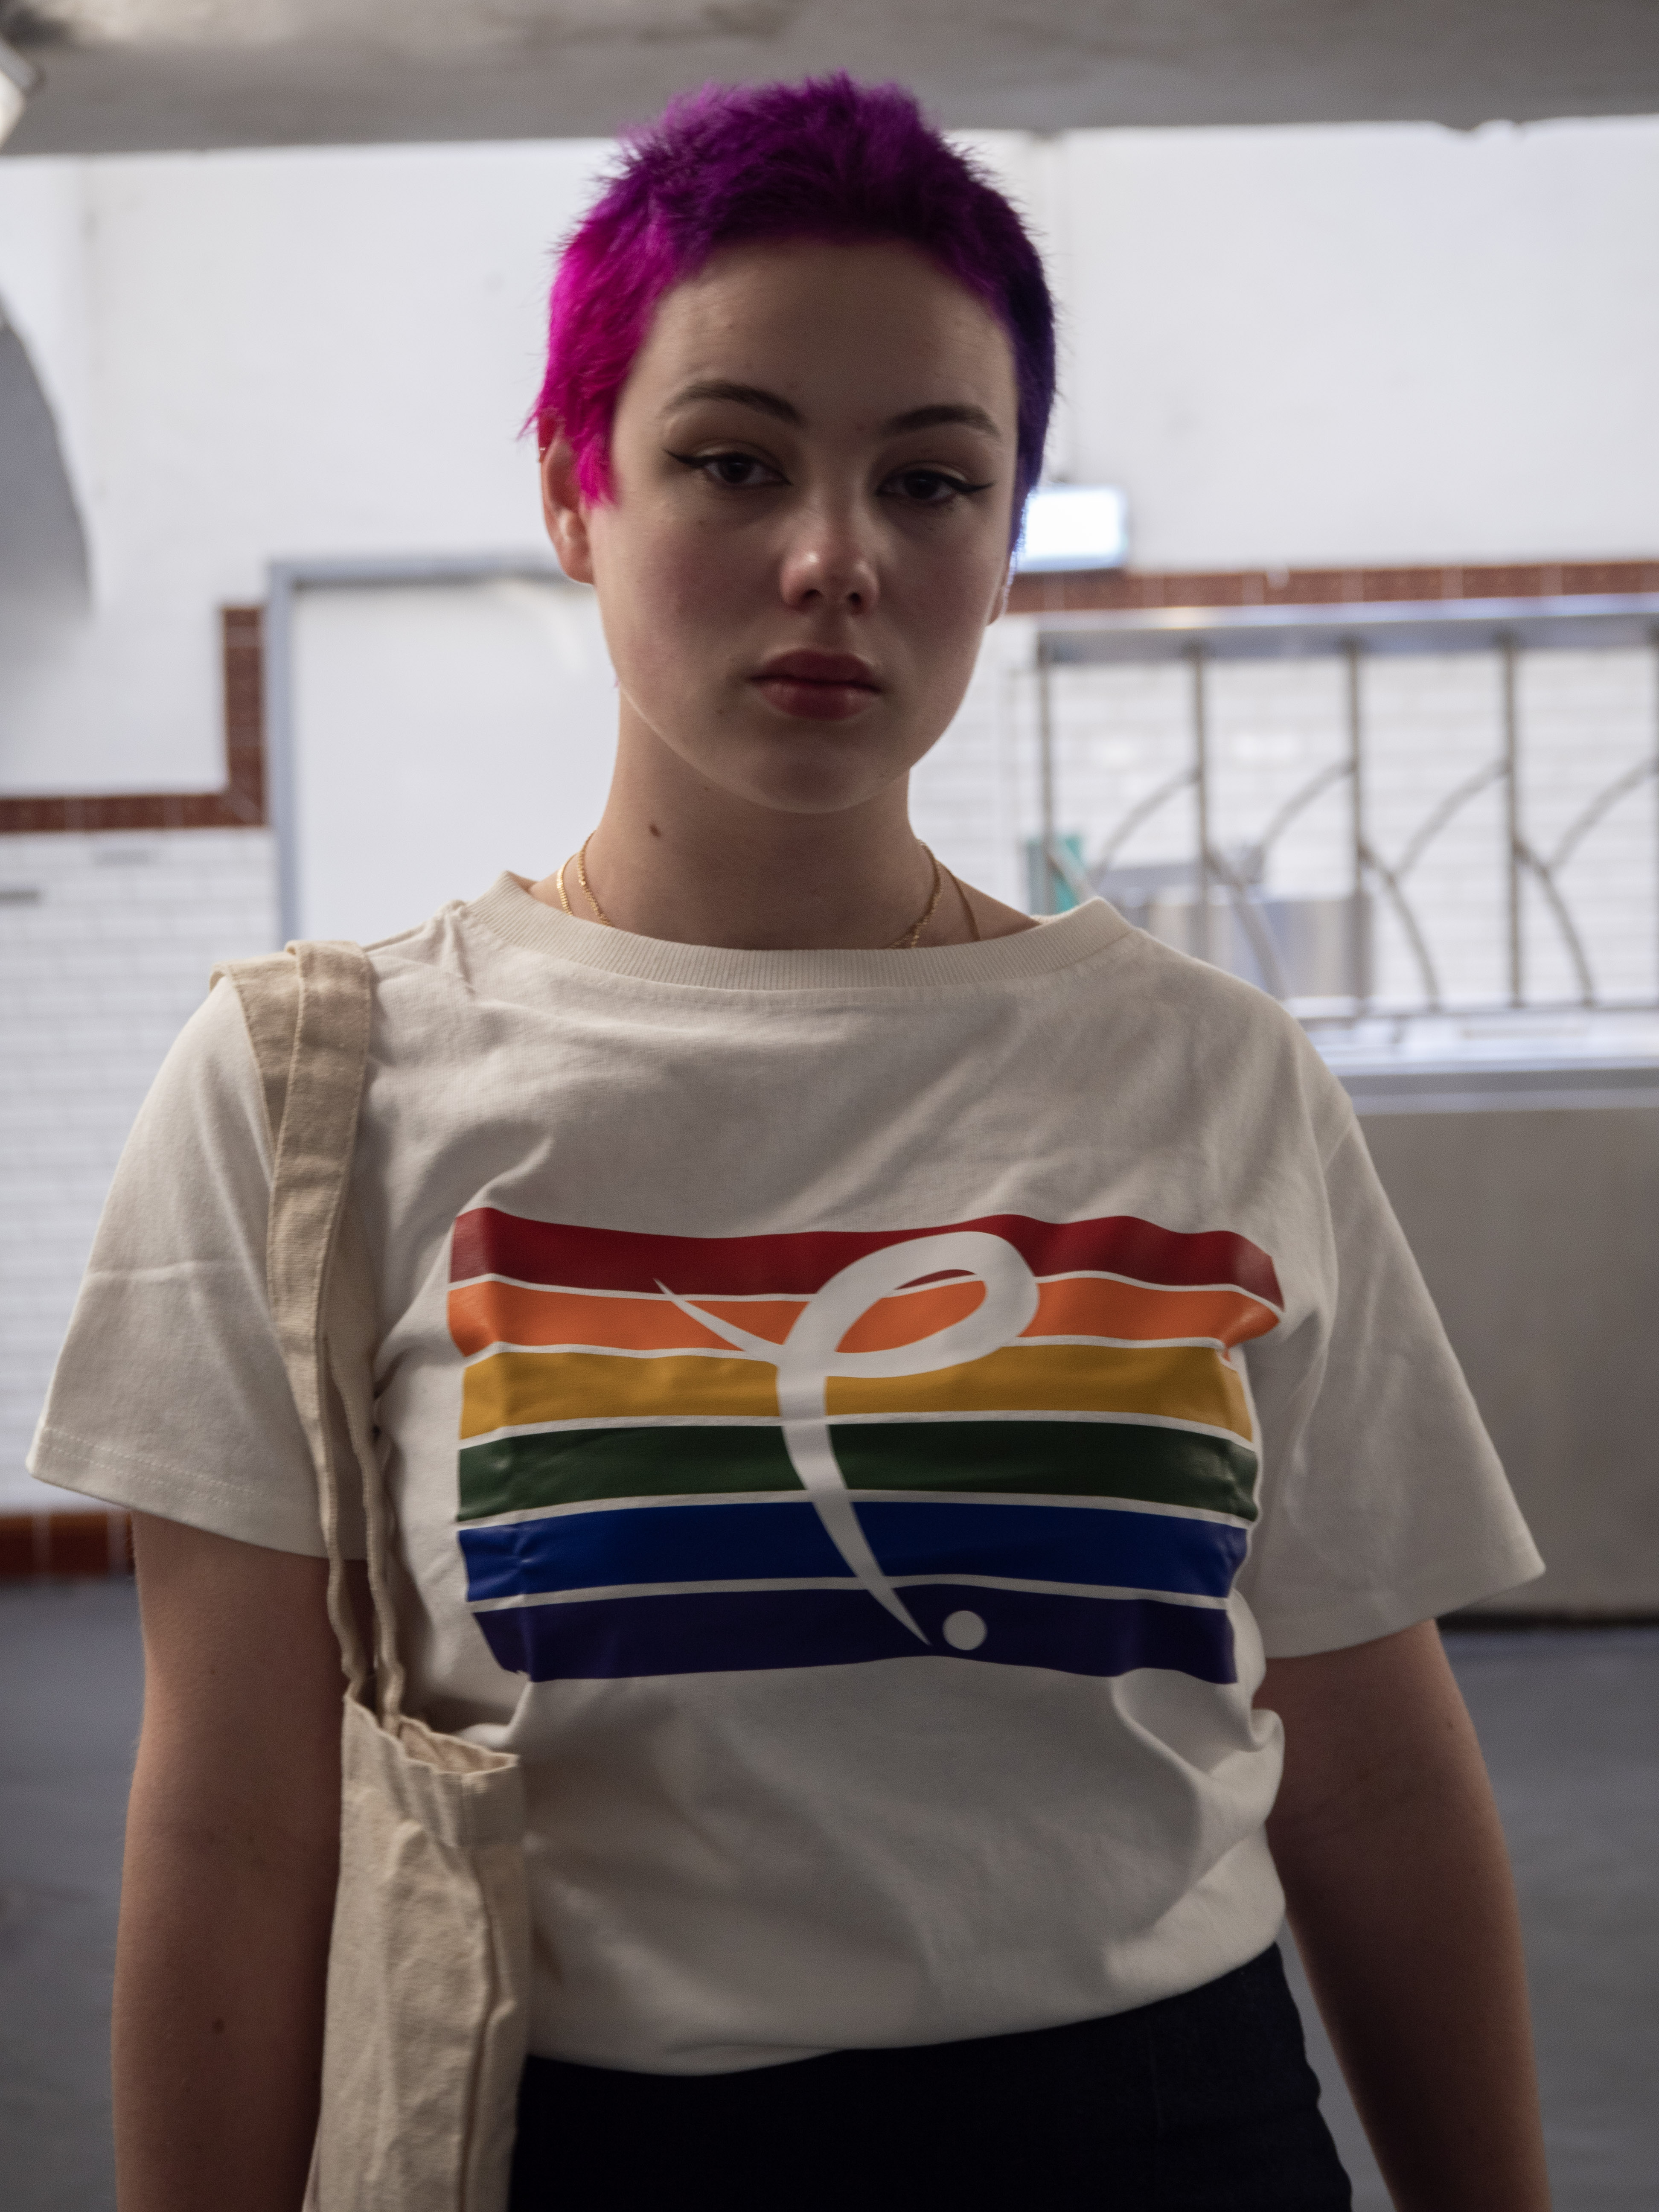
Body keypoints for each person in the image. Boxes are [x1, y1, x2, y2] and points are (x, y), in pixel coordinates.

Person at [34, 75, 1551, 2212]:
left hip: (1160, 2141)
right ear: (576, 491)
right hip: (583, 2147)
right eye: (734, 461)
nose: (836, 558)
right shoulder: (320, 1091)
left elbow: (1373, 1770)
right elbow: (233, 1818)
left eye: (931, 482)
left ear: (1004, 543)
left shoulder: (1207, 1076)